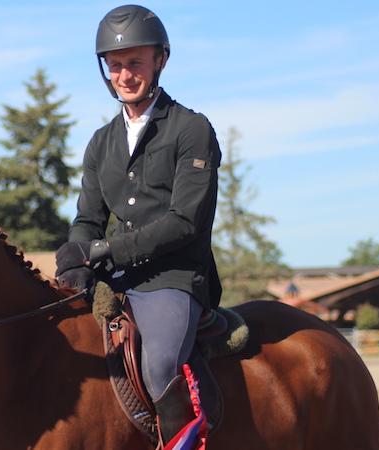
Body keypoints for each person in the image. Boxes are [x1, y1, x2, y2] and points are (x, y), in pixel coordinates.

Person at [55, 4, 222, 446]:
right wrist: (76, 258)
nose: (125, 75)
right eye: (115, 65)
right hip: (116, 277)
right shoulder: (100, 142)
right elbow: (88, 219)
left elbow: (185, 222)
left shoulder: (192, 130)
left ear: (159, 61)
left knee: (161, 365)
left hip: (175, 277)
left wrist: (104, 252)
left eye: (135, 63)